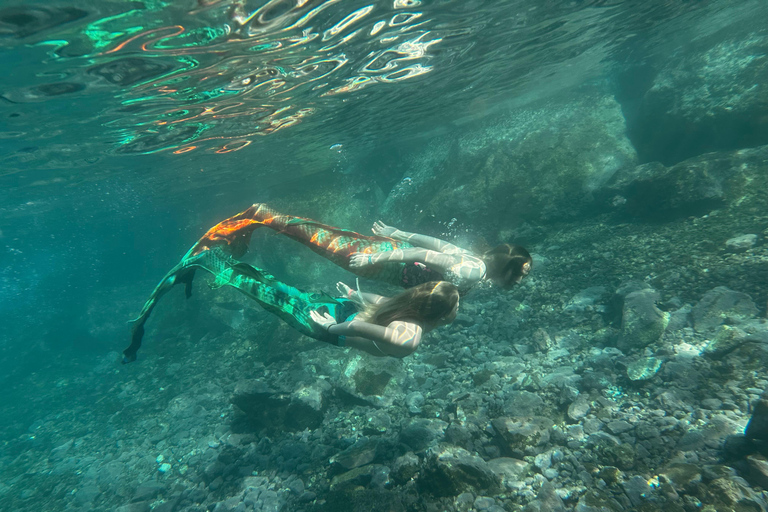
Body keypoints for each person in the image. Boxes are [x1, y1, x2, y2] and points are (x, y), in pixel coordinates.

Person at [122, 244, 459, 363]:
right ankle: (211, 262)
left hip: (338, 305)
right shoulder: (411, 337)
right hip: (333, 325)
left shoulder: (409, 309)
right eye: (455, 308)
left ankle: (218, 260)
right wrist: (331, 327)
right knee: (274, 298)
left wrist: (355, 296)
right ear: (439, 315)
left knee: (282, 290)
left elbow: (382, 302)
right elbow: (358, 328)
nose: (458, 312)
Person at [189, 203, 532, 295]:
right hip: (384, 263)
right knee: (318, 242)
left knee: (321, 237)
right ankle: (262, 215)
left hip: (388, 250)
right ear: (508, 267)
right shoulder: (475, 272)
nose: (520, 281)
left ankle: (263, 218)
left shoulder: (475, 259)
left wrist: (399, 233)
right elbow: (426, 256)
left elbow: (438, 244)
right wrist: (376, 257)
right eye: (521, 274)